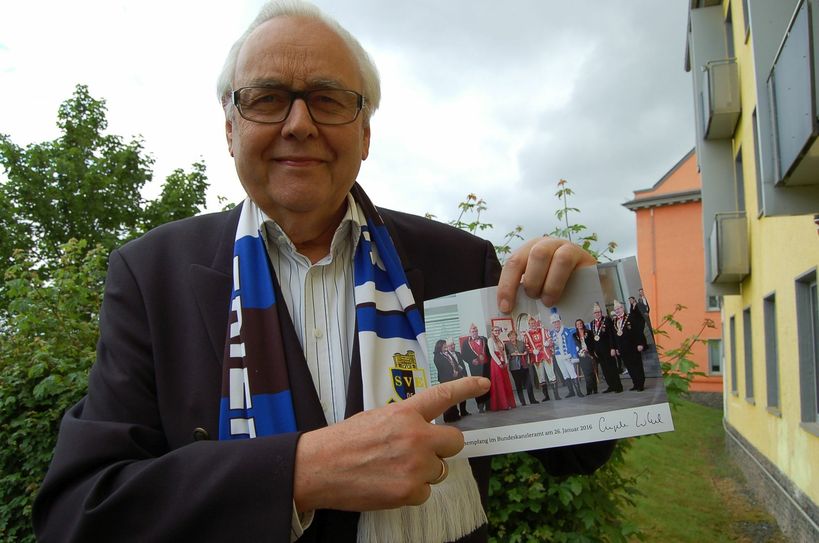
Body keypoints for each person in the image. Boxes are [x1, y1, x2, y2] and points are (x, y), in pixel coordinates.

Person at [32, 2, 614, 542]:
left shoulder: (457, 262)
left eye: (329, 99)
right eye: (266, 98)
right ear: (230, 127)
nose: (299, 124)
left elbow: (578, 452)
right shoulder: (150, 274)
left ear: (365, 134)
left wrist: (578, 313)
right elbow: (80, 508)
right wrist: (299, 473)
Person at [548, 309, 584, 398]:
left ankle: (578, 391)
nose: (556, 324)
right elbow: (551, 345)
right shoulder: (551, 333)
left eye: (557, 322)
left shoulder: (566, 330)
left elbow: (571, 343)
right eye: (554, 323)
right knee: (564, 373)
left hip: (567, 355)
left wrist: (571, 354)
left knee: (572, 372)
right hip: (558, 356)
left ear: (560, 322)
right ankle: (571, 392)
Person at [612, 299, 647, 391]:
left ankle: (640, 384)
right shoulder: (614, 321)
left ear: (622, 308)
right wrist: (616, 348)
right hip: (623, 348)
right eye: (616, 310)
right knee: (629, 367)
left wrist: (640, 343)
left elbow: (638, 331)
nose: (618, 311)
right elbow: (615, 336)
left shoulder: (630, 317)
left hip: (633, 346)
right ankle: (635, 383)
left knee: (637, 365)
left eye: (619, 308)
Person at [588, 302, 623, 393]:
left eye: (599, 312)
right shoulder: (592, 323)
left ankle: (618, 386)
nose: (597, 314)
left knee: (612, 368)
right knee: (605, 369)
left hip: (608, 349)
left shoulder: (607, 320)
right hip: (599, 351)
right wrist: (593, 350)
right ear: (593, 314)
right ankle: (610, 385)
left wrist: (613, 348)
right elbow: (593, 338)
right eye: (595, 313)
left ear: (601, 312)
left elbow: (611, 335)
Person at [523, 315, 559, 401]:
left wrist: (548, 343)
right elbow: (526, 345)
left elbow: (550, 340)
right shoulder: (527, 334)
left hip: (546, 355)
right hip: (536, 358)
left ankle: (556, 395)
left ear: (536, 323)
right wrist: (532, 350)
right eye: (531, 323)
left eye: (534, 323)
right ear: (529, 324)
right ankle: (547, 396)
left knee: (551, 375)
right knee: (541, 377)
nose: (533, 324)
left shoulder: (544, 330)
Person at [460, 323, 492, 413]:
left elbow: (489, 352)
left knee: (488, 384)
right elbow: (463, 356)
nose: (474, 332)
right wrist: (471, 361)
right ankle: (480, 406)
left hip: (486, 366)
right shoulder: (466, 343)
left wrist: (490, 362)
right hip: (475, 368)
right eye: (473, 331)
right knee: (478, 386)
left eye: (476, 331)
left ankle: (489, 405)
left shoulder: (484, 339)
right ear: (470, 332)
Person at [433, 339, 465, 422]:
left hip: (452, 378)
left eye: (446, 346)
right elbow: (442, 368)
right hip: (445, 379)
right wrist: (452, 373)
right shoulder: (437, 356)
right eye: (444, 347)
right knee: (447, 400)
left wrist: (457, 370)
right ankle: (449, 418)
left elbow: (454, 362)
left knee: (453, 398)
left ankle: (455, 415)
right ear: (440, 347)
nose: (446, 348)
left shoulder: (446, 354)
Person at [505, 330, 538, 406]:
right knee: (518, 384)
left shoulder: (521, 343)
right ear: (509, 337)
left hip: (524, 365)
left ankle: (532, 399)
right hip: (514, 367)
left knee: (528, 383)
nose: (512, 337)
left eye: (514, 335)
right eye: (510, 336)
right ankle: (522, 402)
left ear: (516, 336)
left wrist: (525, 352)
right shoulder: (506, 345)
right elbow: (506, 356)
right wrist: (511, 355)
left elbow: (526, 350)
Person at [487, 326, 516, 411]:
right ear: (492, 331)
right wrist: (499, 363)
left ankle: (508, 403)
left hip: (503, 361)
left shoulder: (500, 340)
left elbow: (503, 351)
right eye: (495, 330)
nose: (497, 332)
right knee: (499, 383)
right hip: (496, 363)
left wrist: (506, 362)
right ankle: (502, 404)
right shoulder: (490, 340)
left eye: (498, 330)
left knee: (505, 382)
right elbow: (492, 353)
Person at [446, 339, 471, 417]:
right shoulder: (446, 355)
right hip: (453, 377)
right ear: (447, 347)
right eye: (451, 345)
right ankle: (456, 413)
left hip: (461, 376)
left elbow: (462, 365)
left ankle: (463, 411)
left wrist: (465, 375)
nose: (453, 346)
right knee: (455, 395)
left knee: (463, 394)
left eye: (454, 344)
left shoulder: (458, 353)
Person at [573, 319, 598, 394]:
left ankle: (595, 389)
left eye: (580, 323)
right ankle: (589, 390)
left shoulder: (589, 332)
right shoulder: (574, 335)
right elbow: (576, 345)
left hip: (589, 354)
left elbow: (592, 343)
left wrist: (590, 351)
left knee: (592, 372)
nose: (579, 325)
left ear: (582, 324)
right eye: (577, 324)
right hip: (582, 355)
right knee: (586, 373)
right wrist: (580, 352)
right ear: (576, 326)